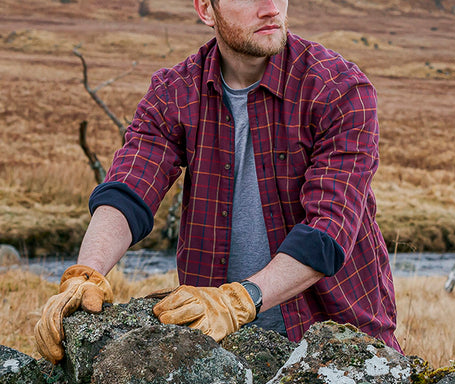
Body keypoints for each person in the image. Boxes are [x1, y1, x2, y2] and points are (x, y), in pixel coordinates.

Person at [34, 0, 403, 364]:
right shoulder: (175, 91)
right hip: (218, 348)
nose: (271, 8)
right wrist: (87, 273)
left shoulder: (339, 88)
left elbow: (329, 229)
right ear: (206, 10)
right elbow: (130, 187)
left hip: (342, 351)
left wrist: (240, 300)